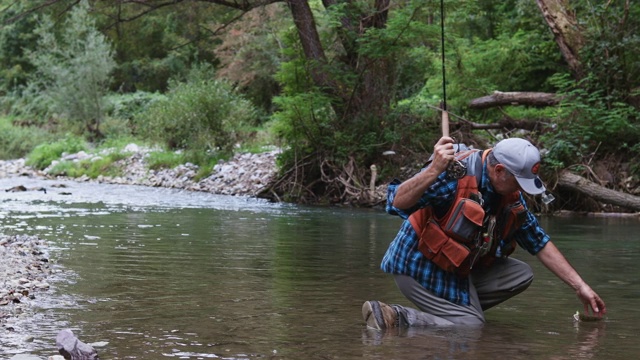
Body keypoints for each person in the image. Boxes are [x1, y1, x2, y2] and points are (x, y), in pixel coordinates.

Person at [362, 136, 606, 329]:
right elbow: (394, 202)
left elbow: (538, 241)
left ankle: (451, 315)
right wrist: (433, 170)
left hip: (457, 269)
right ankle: (397, 317)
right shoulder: (452, 174)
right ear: (499, 170)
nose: (522, 190)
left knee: (521, 274)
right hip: (417, 267)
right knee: (472, 327)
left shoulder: (508, 194)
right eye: (519, 182)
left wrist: (579, 286)